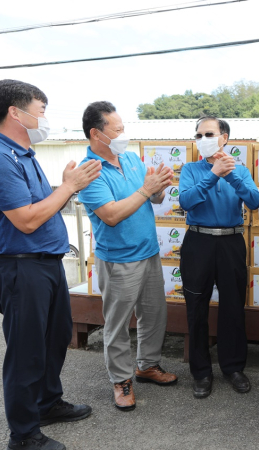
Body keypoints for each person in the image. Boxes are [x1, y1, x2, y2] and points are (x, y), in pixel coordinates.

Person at [0, 79, 100, 450]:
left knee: (55, 338)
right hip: (19, 267)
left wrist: (62, 186)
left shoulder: (23, 155)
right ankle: (23, 434)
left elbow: (42, 207)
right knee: (27, 351)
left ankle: (46, 403)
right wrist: (69, 187)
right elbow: (27, 220)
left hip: (45, 264)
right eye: (40, 110)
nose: (44, 118)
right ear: (16, 112)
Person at [78, 101, 178, 412]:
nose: (124, 135)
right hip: (118, 259)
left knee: (154, 314)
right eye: (118, 130)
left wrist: (160, 185)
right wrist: (148, 190)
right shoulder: (88, 172)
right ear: (97, 133)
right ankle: (121, 379)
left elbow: (153, 197)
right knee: (118, 324)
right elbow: (110, 215)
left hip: (148, 252)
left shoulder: (131, 159)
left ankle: (147, 365)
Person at [179, 116, 259, 398]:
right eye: (198, 135)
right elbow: (186, 201)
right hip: (198, 242)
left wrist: (230, 174)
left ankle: (233, 367)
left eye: (209, 134)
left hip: (231, 242)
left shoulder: (241, 169)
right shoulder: (190, 169)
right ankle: (201, 373)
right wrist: (213, 174)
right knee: (196, 308)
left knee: (233, 307)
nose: (203, 139)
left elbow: (254, 201)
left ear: (224, 137)